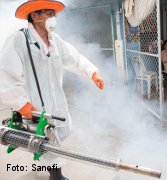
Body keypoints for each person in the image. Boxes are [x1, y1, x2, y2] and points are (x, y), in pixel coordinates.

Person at [0, 1, 104, 179]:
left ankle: (51, 169)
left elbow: (74, 58)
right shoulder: (19, 39)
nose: (53, 18)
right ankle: (55, 175)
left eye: (54, 14)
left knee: (60, 132)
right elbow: (6, 74)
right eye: (48, 13)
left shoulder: (55, 40)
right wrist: (21, 103)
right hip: (34, 102)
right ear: (34, 16)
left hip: (57, 99)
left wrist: (91, 72)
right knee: (47, 140)